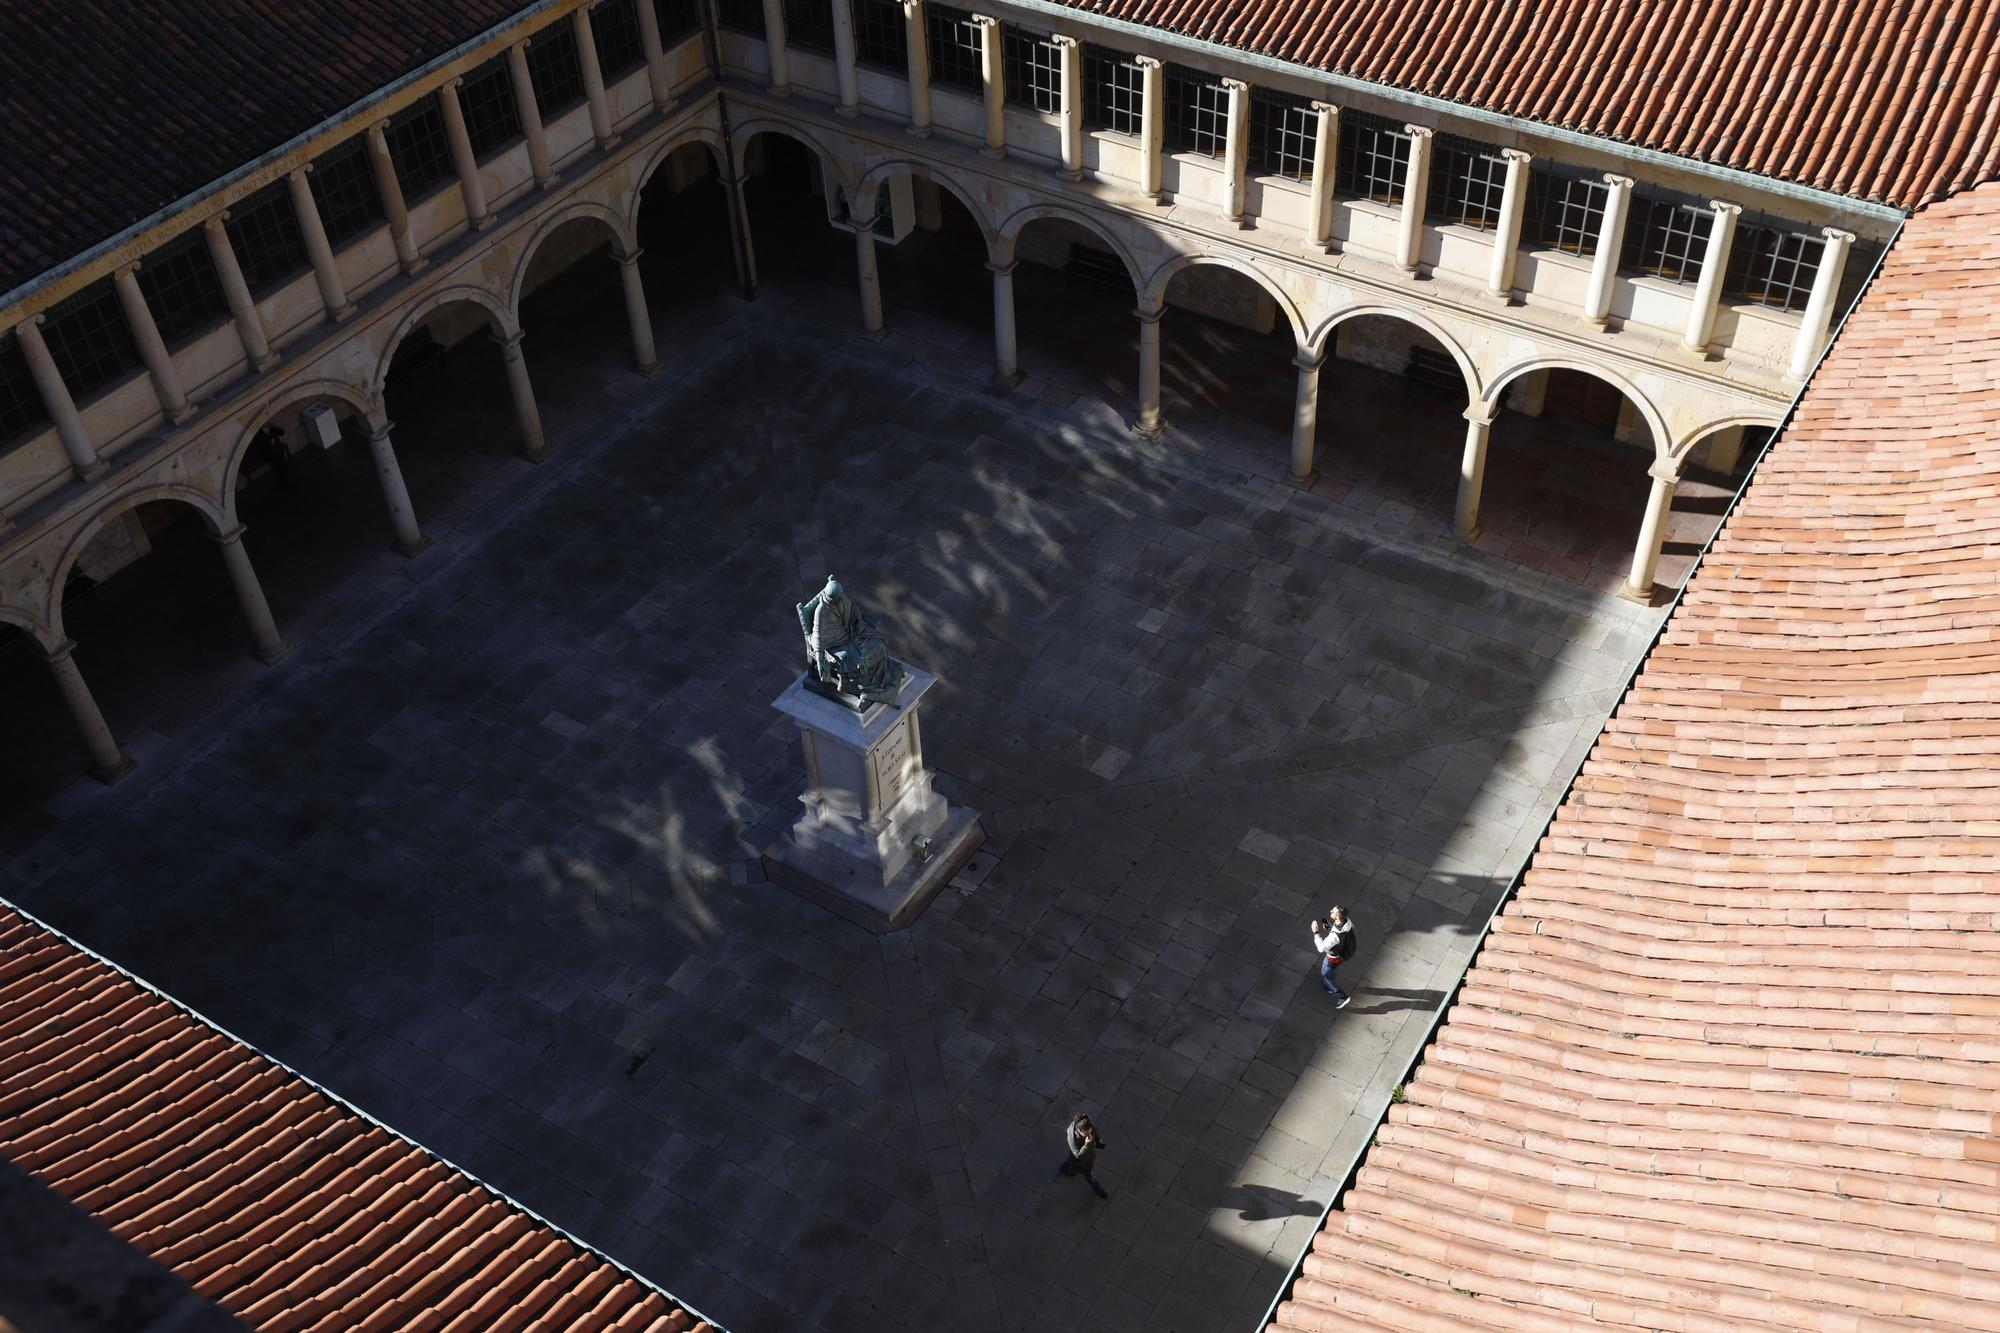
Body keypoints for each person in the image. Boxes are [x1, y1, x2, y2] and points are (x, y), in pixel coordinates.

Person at [1312, 906, 1357, 1008]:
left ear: (1337, 917)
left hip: (1333, 957)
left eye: (1333, 911)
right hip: (1341, 955)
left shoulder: (1335, 936)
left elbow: (1321, 948)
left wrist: (1316, 932)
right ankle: (1328, 986)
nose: (1330, 911)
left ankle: (1342, 997)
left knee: (1325, 974)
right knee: (1331, 971)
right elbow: (1339, 936)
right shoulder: (1347, 923)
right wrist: (1328, 927)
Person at [1056, 1111, 1108, 1198]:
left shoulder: (1086, 1122)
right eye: (1086, 1134)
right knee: (1089, 1176)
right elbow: (1078, 1155)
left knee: (1071, 1164)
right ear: (1079, 1131)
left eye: (1089, 1132)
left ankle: (1068, 1170)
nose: (1089, 1135)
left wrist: (1099, 1142)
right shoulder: (1072, 1137)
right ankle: (1100, 1191)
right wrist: (1087, 1144)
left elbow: (1094, 1129)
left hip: (1088, 1155)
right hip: (1081, 1160)